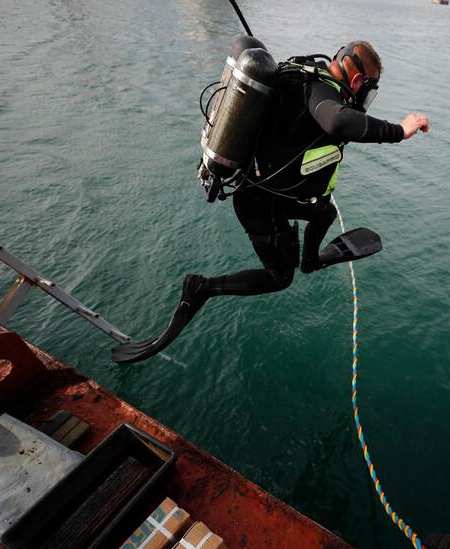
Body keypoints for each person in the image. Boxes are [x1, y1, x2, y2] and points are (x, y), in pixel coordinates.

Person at [112, 40, 429, 363]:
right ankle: (201, 288)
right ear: (359, 80)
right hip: (258, 204)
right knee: (280, 277)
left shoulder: (307, 74)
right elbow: (337, 122)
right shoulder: (319, 90)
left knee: (324, 212)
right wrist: (398, 131)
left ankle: (310, 260)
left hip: (275, 191)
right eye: (368, 91)